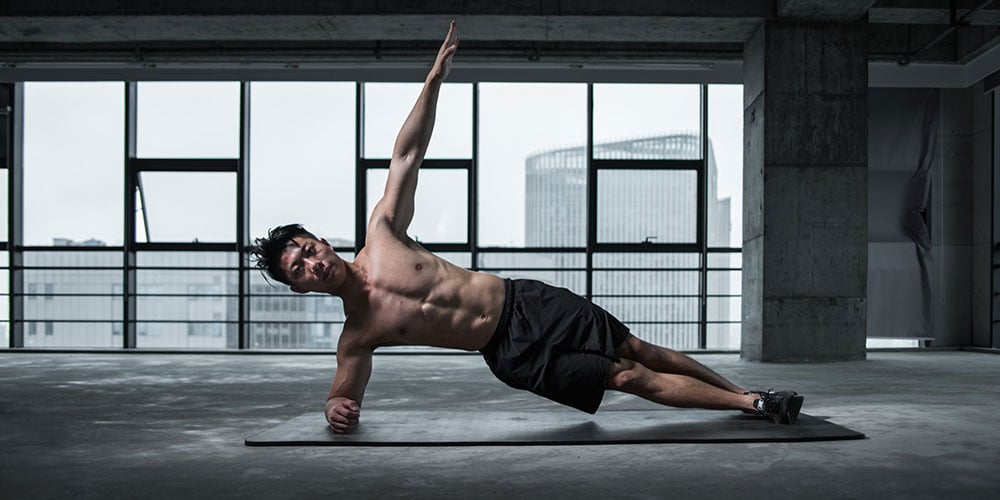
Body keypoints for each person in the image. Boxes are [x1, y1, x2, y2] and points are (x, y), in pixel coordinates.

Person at [249, 21, 803, 434]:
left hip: (526, 301)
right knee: (624, 375)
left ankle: (751, 396)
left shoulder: (385, 234)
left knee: (639, 348)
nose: (312, 262)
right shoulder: (358, 333)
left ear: (320, 239)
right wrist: (333, 408)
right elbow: (344, 392)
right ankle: (751, 405)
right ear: (301, 288)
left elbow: (406, 155)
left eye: (306, 249)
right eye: (299, 269)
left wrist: (435, 78)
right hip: (509, 353)